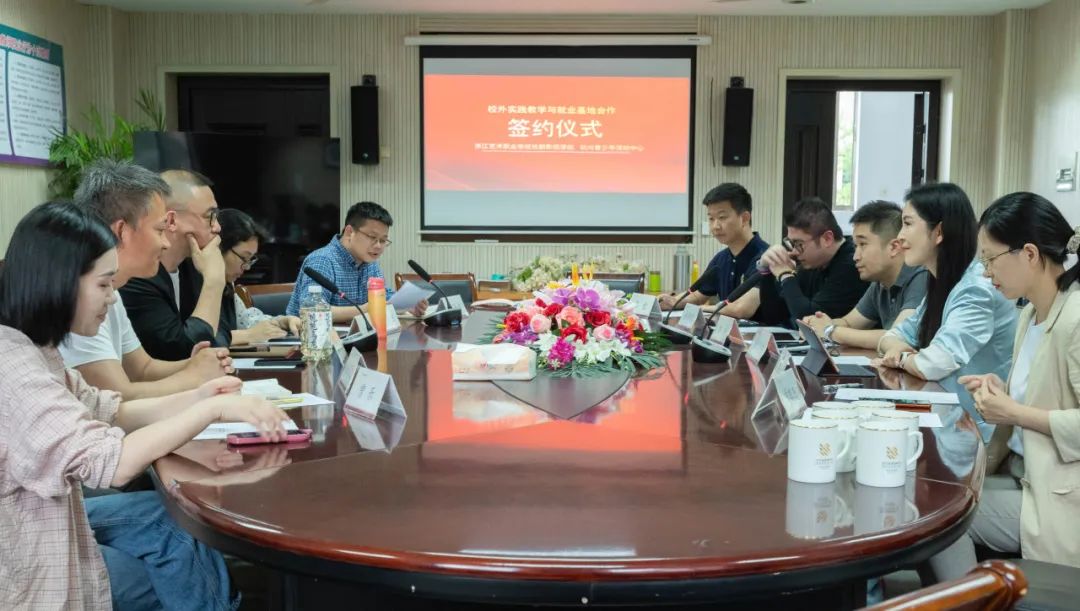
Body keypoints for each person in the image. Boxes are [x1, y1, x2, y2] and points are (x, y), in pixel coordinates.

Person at [0, 201, 289, 609]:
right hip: (23, 554)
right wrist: (209, 411)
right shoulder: (12, 365)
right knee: (180, 574)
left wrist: (202, 396)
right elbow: (112, 462)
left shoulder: (36, 348)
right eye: (104, 285)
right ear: (60, 283)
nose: (111, 297)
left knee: (171, 523)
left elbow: (109, 410)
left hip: (49, 514)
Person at [929, 192, 1080, 579]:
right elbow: (1043, 395)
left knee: (944, 520)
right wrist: (1004, 393)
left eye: (990, 259)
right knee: (939, 494)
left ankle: (973, 602)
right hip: (1024, 474)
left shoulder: (1075, 318)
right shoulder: (1030, 314)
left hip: (1061, 493)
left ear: (1029, 254)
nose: (986, 272)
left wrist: (1014, 411)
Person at [60, 159, 232, 400]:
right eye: (160, 230)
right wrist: (195, 378)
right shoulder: (80, 295)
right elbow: (117, 397)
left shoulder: (111, 290)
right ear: (122, 231)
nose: (165, 242)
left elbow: (142, 369)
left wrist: (196, 364)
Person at [875, 183, 1017, 384]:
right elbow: (892, 335)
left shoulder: (977, 289)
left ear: (939, 232)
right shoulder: (942, 283)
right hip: (943, 399)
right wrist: (896, 347)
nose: (899, 236)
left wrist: (901, 358)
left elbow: (934, 364)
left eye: (907, 224)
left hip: (976, 404)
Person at [121, 169, 231, 361]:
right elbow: (179, 351)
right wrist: (214, 282)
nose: (217, 227)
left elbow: (221, 333)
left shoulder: (195, 264)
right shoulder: (137, 275)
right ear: (171, 220)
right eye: (209, 216)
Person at [718, 196, 868, 326]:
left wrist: (785, 275)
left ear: (827, 239)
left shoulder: (852, 265)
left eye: (799, 244)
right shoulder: (812, 262)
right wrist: (767, 272)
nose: (794, 251)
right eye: (791, 243)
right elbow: (774, 315)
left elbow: (809, 319)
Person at [801, 201, 928, 350]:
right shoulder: (880, 283)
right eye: (855, 246)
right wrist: (817, 326)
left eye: (862, 245)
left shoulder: (921, 276)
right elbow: (849, 323)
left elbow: (897, 337)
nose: (855, 257)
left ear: (894, 247)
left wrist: (831, 331)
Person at [287, 201, 426, 324]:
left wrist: (406, 304)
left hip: (355, 339)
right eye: (372, 237)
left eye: (383, 240)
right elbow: (311, 311)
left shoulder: (369, 262)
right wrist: (366, 309)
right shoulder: (322, 261)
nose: (378, 246)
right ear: (349, 232)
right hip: (307, 341)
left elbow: (384, 296)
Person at [659, 183, 768, 310]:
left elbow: (741, 308)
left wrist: (699, 310)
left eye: (722, 217)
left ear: (744, 218)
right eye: (711, 219)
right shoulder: (721, 259)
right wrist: (673, 301)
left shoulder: (766, 258)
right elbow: (697, 295)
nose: (715, 226)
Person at [217, 208, 302, 344]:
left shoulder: (226, 284)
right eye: (244, 258)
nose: (247, 267)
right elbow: (194, 339)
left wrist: (281, 322)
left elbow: (246, 320)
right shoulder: (191, 281)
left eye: (251, 259)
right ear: (219, 248)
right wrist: (247, 336)